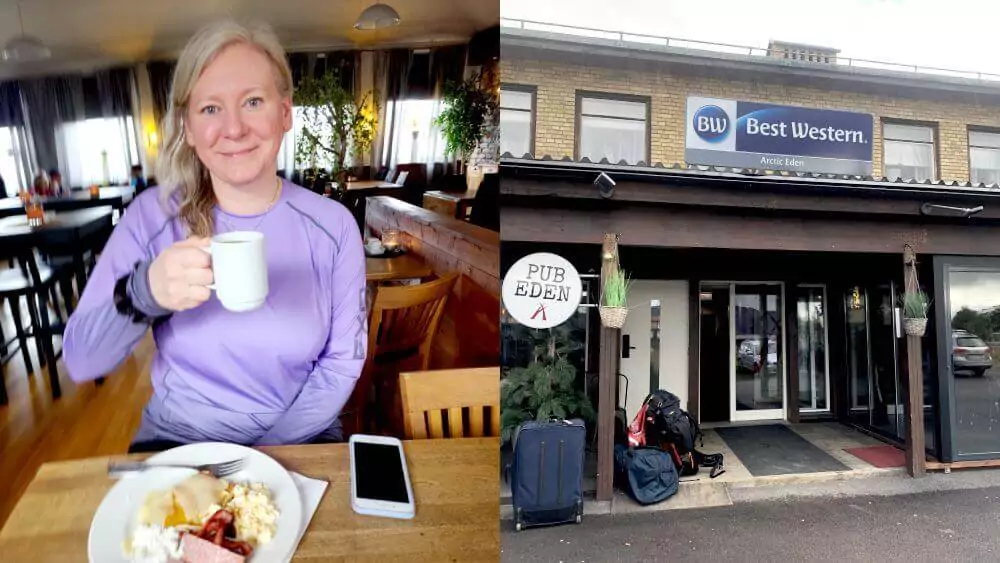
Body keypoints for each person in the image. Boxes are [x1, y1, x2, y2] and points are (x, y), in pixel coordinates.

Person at [63, 19, 367, 452]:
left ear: (285, 113)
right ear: (187, 126)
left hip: (300, 441)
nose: (234, 128)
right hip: (177, 443)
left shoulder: (334, 226)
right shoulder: (153, 216)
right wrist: (144, 291)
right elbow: (81, 359)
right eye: (210, 109)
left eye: (253, 102)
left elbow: (340, 365)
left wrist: (262, 460)